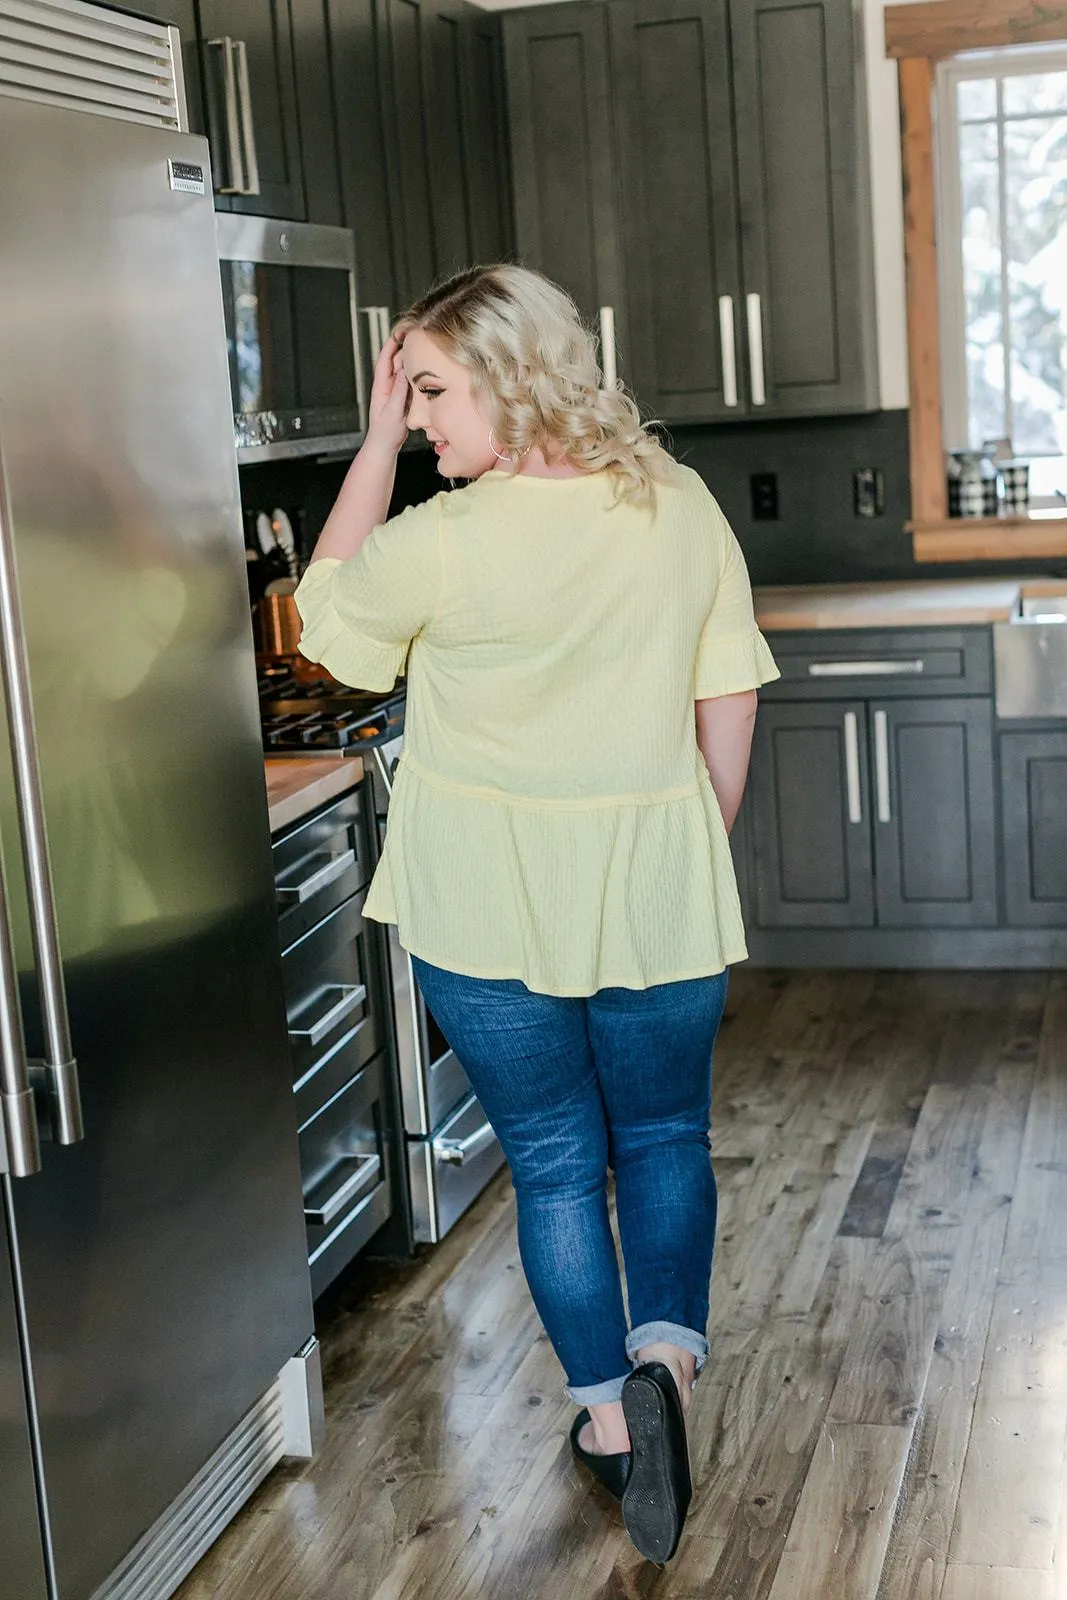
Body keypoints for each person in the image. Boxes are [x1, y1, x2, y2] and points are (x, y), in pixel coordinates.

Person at [294, 264, 779, 1565]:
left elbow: (320, 622)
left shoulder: (438, 542)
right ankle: (663, 1371)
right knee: (664, 1136)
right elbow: (726, 692)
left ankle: (609, 1434)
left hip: (482, 904)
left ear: (508, 376)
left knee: (558, 1163)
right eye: (414, 404)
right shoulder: (673, 505)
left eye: (435, 392)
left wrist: (370, 442)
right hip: (654, 889)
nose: (426, 423)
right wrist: (689, 840)